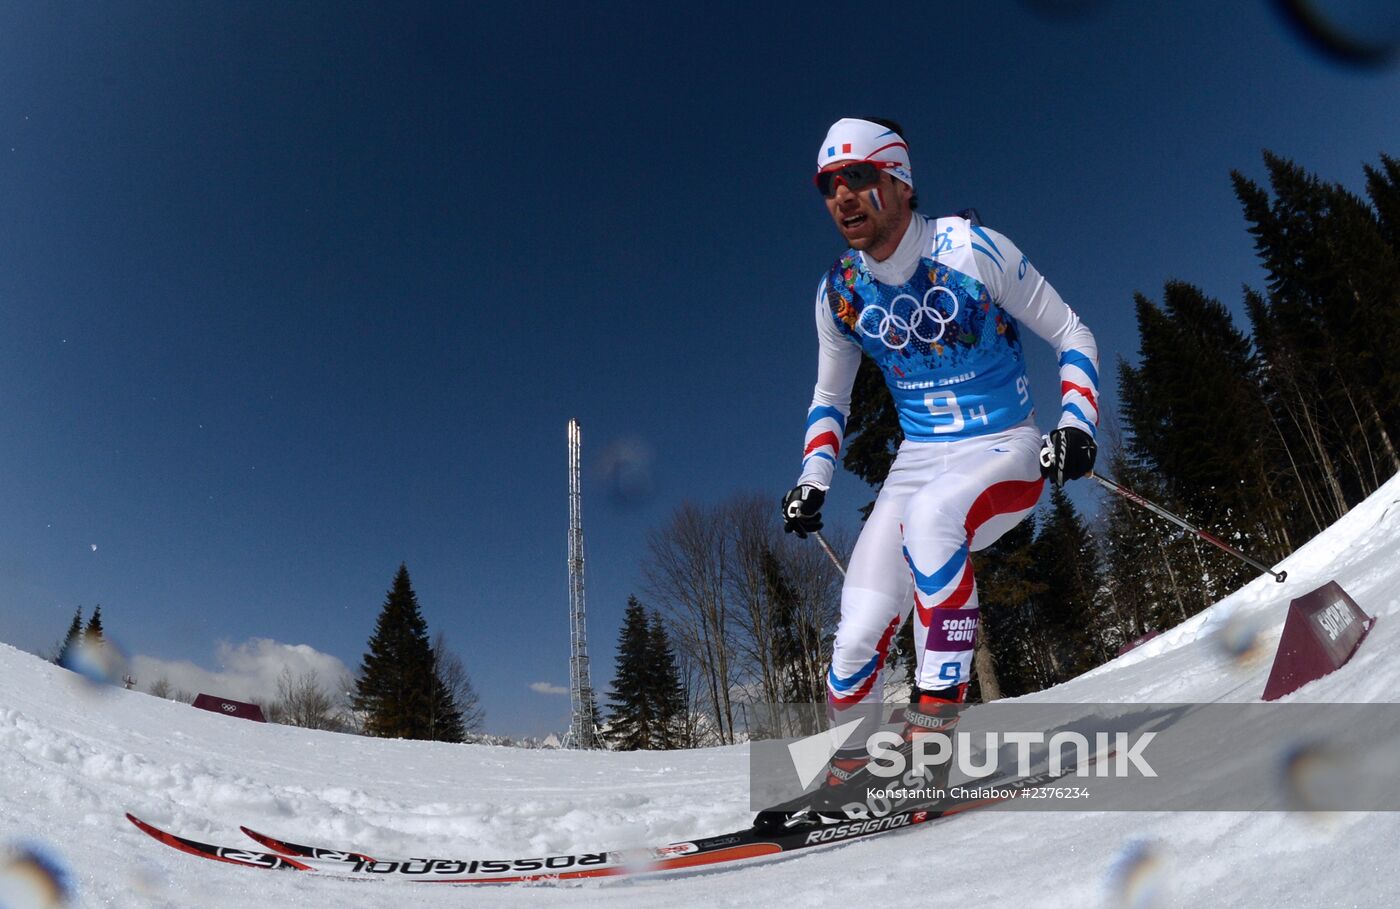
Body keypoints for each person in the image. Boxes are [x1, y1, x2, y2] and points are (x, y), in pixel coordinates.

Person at [782, 117, 1100, 798]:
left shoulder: (973, 249)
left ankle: (932, 739)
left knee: (932, 518)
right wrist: (813, 479)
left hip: (1004, 446)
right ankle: (851, 773)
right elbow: (829, 397)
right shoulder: (839, 291)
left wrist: (1077, 423)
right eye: (828, 184)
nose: (842, 196)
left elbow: (1073, 333)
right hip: (920, 458)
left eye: (859, 177)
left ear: (900, 181)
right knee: (856, 635)